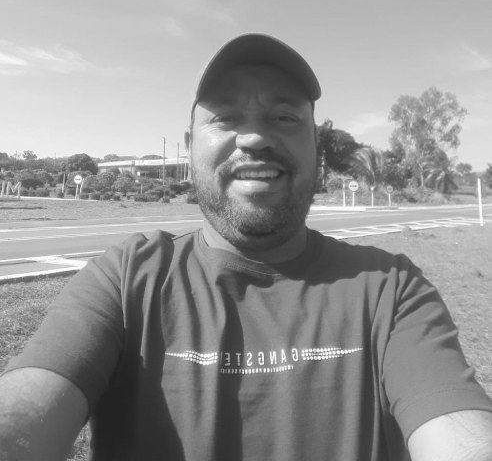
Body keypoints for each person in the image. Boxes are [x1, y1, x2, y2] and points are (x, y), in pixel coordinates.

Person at [1, 33, 492, 461]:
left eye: (284, 116)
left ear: (316, 148)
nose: (254, 137)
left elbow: (460, 434)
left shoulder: (391, 292)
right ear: (190, 144)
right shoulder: (126, 280)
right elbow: (25, 410)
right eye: (226, 117)